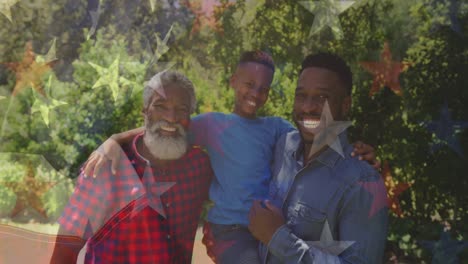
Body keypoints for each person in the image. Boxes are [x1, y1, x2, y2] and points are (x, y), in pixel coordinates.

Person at [83, 51, 379, 263]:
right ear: (233, 81)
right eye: (249, 85)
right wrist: (113, 140)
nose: (256, 93)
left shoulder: (277, 131)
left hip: (259, 233)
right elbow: (168, 128)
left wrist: (354, 149)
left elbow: (322, 137)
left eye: (263, 88)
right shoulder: (215, 125)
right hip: (230, 230)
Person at [49, 71, 213, 263]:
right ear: (145, 111)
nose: (171, 117)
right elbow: (63, 253)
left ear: (190, 116)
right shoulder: (105, 167)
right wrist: (114, 140)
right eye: (160, 106)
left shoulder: (199, 166)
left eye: (181, 109)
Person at [248, 53, 388, 263]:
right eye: (301, 95)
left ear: (345, 104)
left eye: (322, 97)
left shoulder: (363, 184)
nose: (308, 107)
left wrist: (278, 239)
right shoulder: (281, 146)